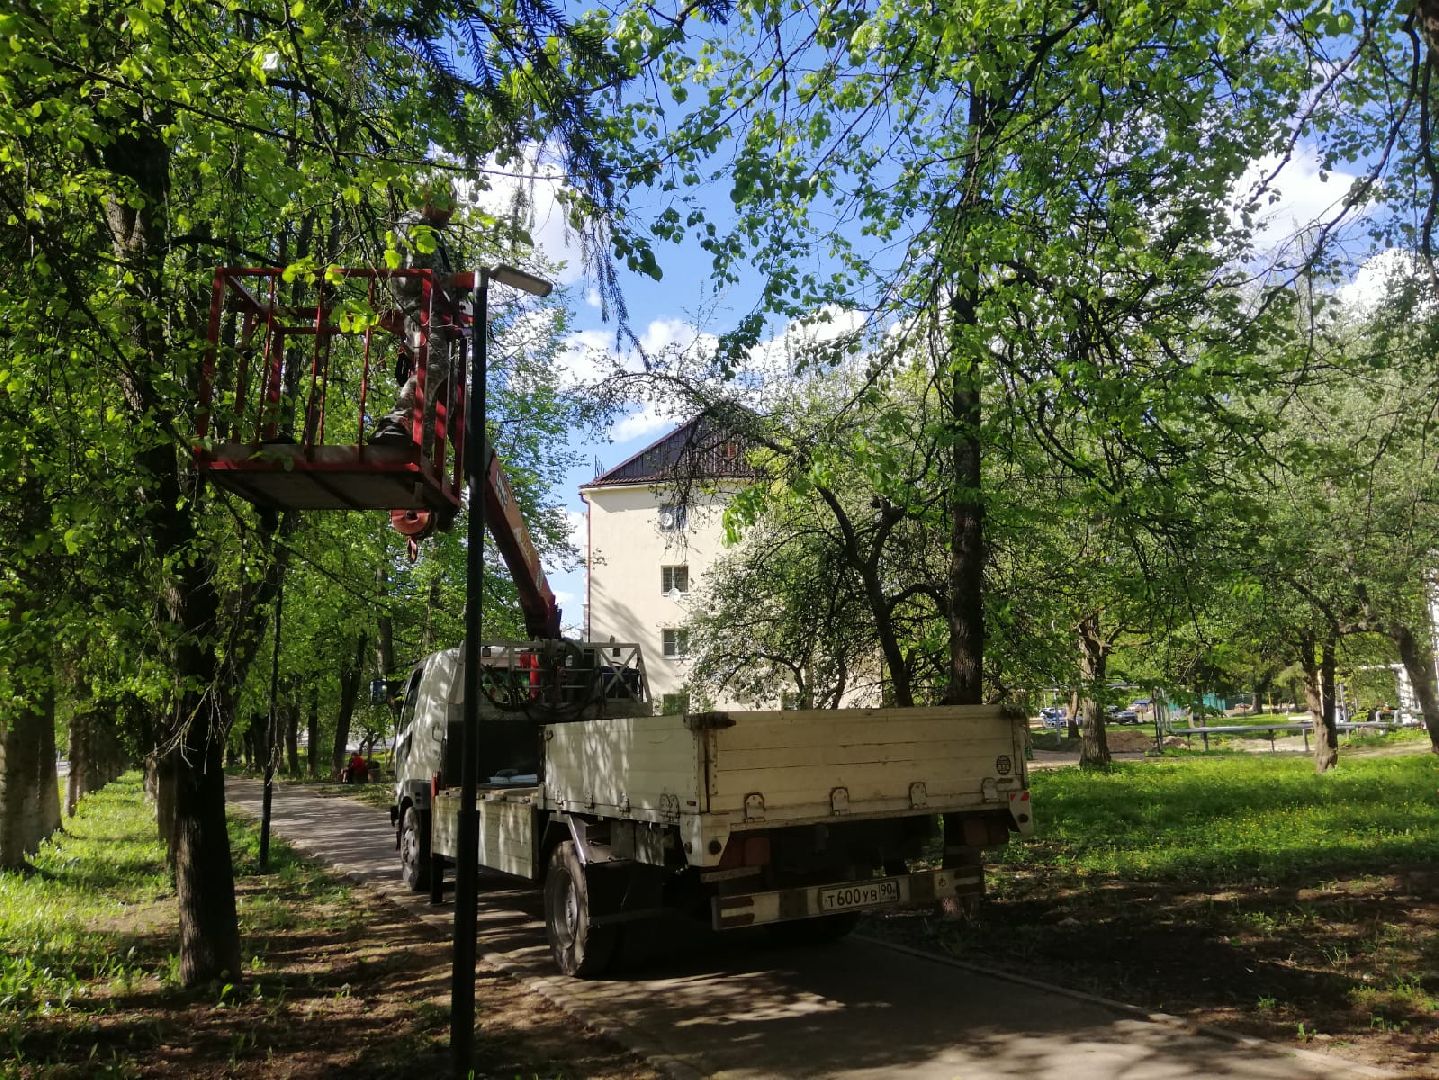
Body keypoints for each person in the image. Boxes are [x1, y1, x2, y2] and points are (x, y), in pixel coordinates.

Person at [371, 181, 462, 448]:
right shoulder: (413, 224)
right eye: (449, 207)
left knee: (449, 388)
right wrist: (454, 281)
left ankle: (419, 446)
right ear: (432, 201)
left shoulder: (430, 233)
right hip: (418, 308)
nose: (451, 215)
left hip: (434, 311)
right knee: (435, 363)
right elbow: (410, 277)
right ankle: (397, 419)